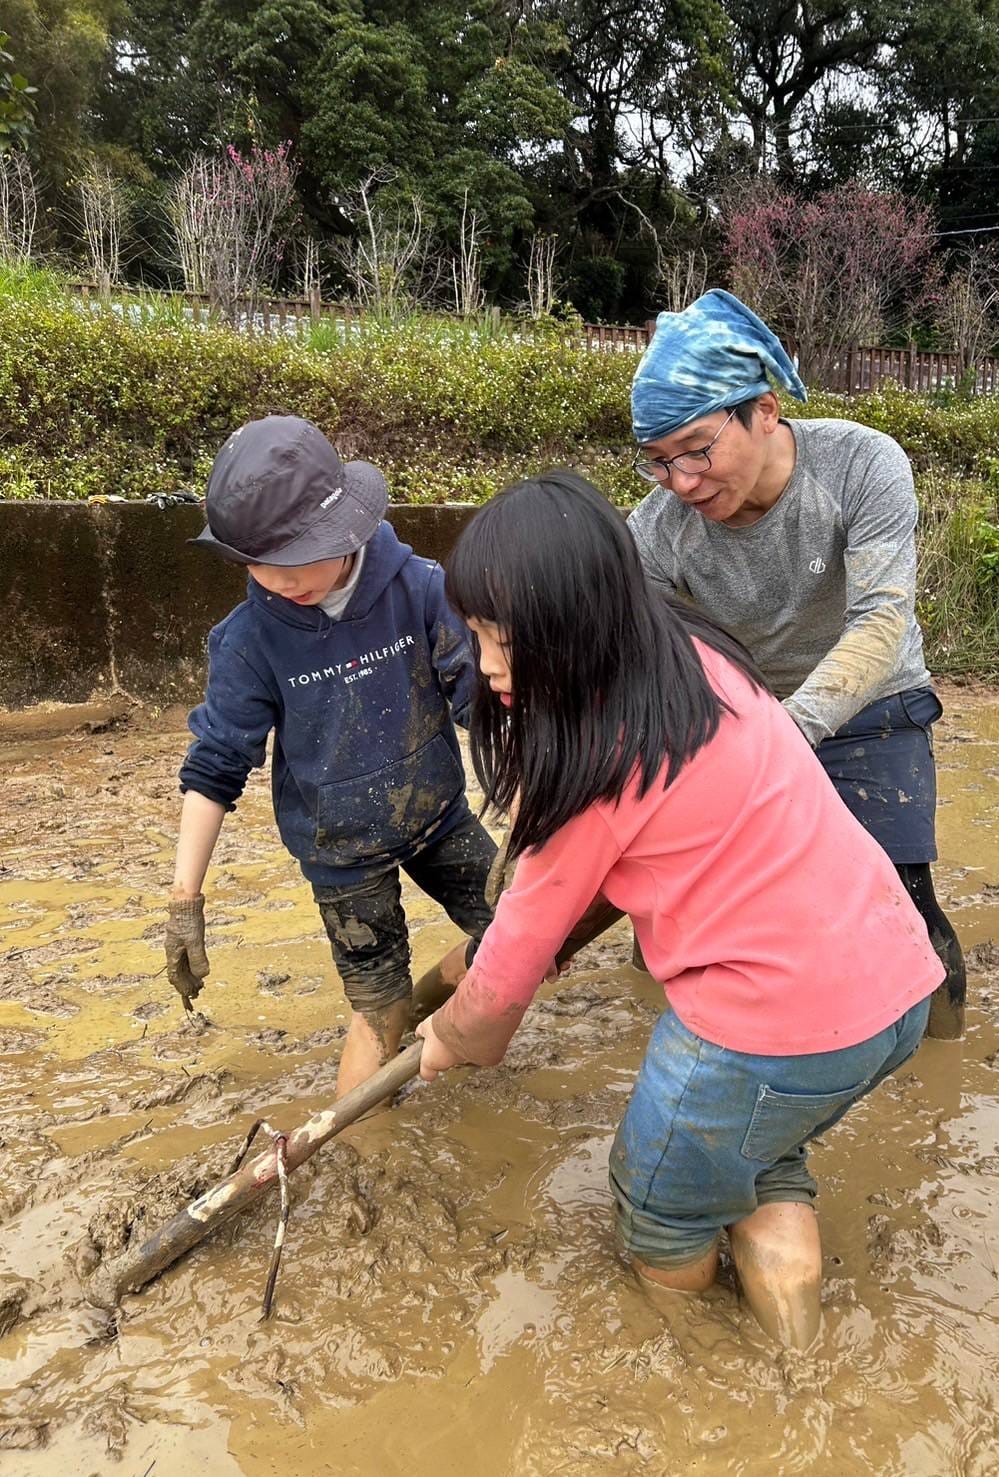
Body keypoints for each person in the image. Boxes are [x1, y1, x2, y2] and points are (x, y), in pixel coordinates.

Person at [415, 471, 943, 1348]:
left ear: (577, 626)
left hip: (769, 1030)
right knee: (761, 1150)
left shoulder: (590, 771)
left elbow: (502, 981)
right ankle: (803, 1364)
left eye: (507, 639)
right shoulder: (701, 661)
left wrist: (449, 1037)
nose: (491, 665)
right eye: (476, 635)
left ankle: (698, 1374)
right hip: (894, 990)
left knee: (659, 1201)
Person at [627, 289, 965, 1038]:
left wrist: (790, 729)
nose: (682, 481)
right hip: (739, 721)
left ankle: (938, 1060)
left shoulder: (860, 464)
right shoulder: (656, 528)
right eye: (659, 461)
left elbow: (881, 619)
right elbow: (638, 658)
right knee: (673, 913)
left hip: (869, 705)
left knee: (902, 900)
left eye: (698, 449)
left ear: (767, 410)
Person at [164, 415, 497, 1094]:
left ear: (343, 527)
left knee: (523, 932)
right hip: (341, 855)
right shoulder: (251, 639)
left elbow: (486, 708)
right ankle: (363, 1144)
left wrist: (529, 820)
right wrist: (183, 899)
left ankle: (452, 1011)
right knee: (377, 1008)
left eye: (294, 557)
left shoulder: (421, 590)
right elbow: (216, 764)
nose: (278, 580)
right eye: (257, 563)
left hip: (439, 819)